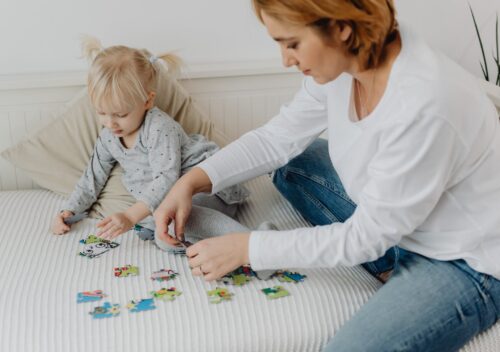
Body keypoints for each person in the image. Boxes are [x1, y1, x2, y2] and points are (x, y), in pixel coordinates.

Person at [153, 0, 500, 350]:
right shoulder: (349, 62)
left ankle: (403, 275)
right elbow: (277, 139)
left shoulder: (426, 103)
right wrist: (191, 180)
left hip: (465, 261)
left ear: (341, 29)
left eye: (292, 44)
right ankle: (389, 265)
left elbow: (365, 237)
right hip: (401, 222)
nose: (286, 60)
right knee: (292, 162)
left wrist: (249, 248)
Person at [50, 37, 252, 253]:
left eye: (120, 114)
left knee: (172, 221)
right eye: (101, 113)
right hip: (169, 204)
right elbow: (92, 178)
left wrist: (130, 216)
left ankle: (252, 243)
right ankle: (230, 243)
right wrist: (69, 210)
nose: (110, 123)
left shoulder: (158, 127)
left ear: (147, 101)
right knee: (164, 239)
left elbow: (167, 178)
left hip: (208, 188)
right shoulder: (108, 137)